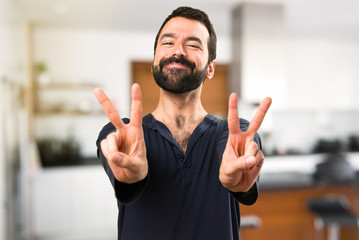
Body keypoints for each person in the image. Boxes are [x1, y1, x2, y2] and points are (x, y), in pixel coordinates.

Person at [95, 6, 272, 240]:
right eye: (168, 43)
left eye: (193, 45)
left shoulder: (233, 135)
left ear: (210, 68)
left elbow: (238, 162)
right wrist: (131, 175)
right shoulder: (120, 136)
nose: (178, 51)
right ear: (154, 62)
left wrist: (238, 182)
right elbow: (123, 172)